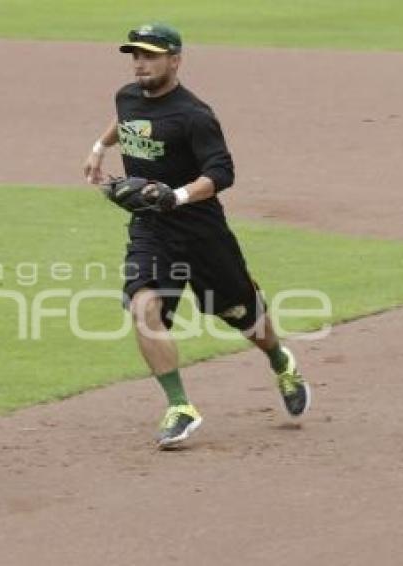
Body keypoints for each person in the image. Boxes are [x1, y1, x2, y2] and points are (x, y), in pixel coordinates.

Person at [83, 24, 311, 447]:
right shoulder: (127, 95)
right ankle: (180, 407)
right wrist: (99, 146)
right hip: (150, 228)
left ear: (175, 59)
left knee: (243, 317)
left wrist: (177, 195)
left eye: (150, 55)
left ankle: (280, 361)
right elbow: (128, 119)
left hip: (202, 232)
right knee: (143, 306)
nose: (140, 63)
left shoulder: (195, 115)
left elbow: (221, 172)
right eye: (135, 55)